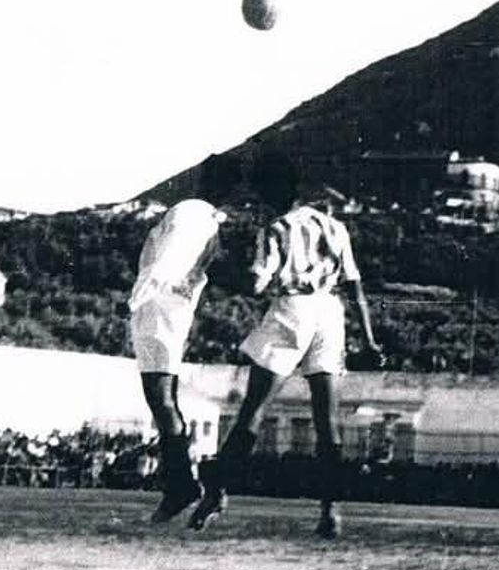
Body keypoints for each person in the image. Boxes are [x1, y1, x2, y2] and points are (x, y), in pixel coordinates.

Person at [187, 151, 382, 539]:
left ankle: (216, 494)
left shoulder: (276, 229)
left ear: (270, 191)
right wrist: (371, 340)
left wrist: (216, 267)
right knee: (327, 421)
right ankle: (330, 511)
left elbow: (257, 283)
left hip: (292, 309)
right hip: (331, 315)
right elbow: (356, 288)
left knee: (253, 411)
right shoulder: (334, 227)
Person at [128, 153, 242, 522]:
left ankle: (180, 485)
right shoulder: (209, 220)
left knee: (160, 397)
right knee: (162, 397)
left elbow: (166, 260)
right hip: (174, 306)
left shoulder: (189, 211)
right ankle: (180, 482)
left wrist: (137, 297)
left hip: (160, 304)